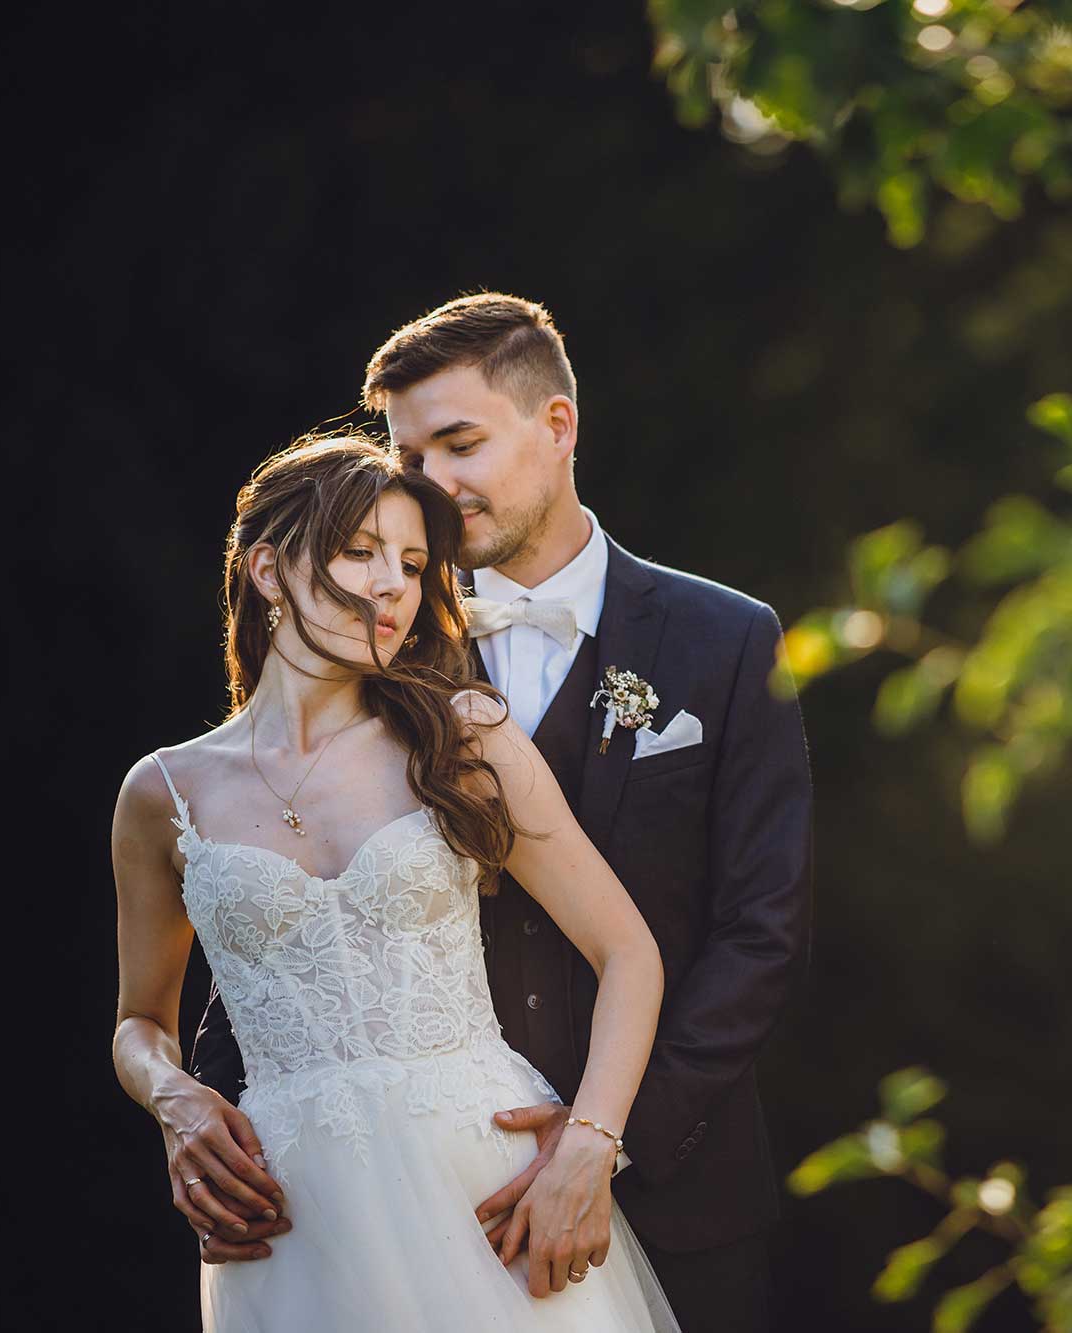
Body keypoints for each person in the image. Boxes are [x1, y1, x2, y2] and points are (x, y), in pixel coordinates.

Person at [181, 294, 814, 1332]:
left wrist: (604, 1140)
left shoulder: (725, 640)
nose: (429, 482)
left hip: (675, 1177)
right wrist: (214, 1119)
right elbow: (283, 905)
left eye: (459, 443)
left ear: (556, 426)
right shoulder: (369, 644)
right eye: (409, 452)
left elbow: (761, 930)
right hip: (418, 1203)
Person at [113, 436, 682, 1330]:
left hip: (483, 1191)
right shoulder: (165, 792)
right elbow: (139, 1020)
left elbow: (629, 952)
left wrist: (589, 1147)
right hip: (294, 1217)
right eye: (358, 552)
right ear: (267, 569)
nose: (391, 586)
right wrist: (175, 1097)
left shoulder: (462, 738)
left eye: (413, 564)